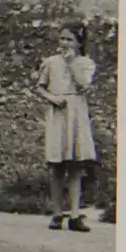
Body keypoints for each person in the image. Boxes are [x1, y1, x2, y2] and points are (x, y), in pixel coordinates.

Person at [37, 23, 97, 232]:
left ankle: (74, 214)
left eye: (69, 40)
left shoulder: (85, 63)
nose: (64, 43)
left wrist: (71, 63)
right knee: (56, 166)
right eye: (62, 39)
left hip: (76, 114)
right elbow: (40, 87)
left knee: (75, 166)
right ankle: (56, 213)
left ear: (79, 43)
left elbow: (83, 85)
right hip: (58, 115)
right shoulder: (51, 62)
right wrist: (52, 98)